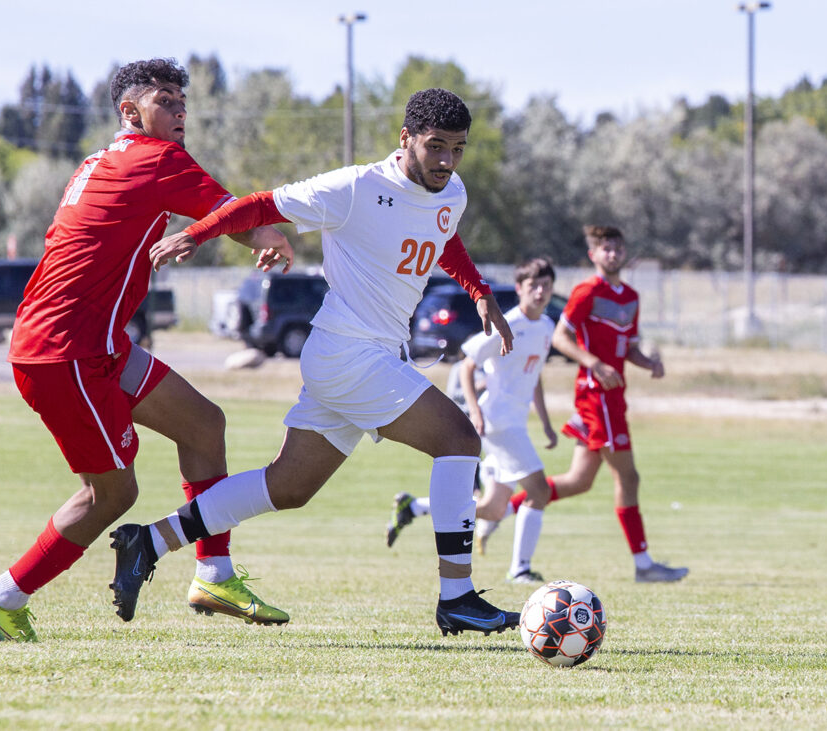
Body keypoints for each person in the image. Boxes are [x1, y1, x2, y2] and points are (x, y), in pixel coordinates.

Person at [109, 88, 523, 637]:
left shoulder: (452, 191)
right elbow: (259, 205)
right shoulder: (354, 188)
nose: (446, 161)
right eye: (435, 147)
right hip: (349, 352)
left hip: (359, 359)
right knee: (460, 440)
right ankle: (458, 596)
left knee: (289, 487)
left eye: (458, 149)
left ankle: (149, 541)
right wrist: (195, 233)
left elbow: (441, 234)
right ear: (406, 140)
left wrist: (478, 290)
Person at [0, 58, 295, 642]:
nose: (179, 112)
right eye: (165, 100)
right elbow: (229, 213)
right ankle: (4, 593)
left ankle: (214, 575)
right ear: (130, 111)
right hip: (65, 352)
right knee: (113, 493)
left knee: (203, 425)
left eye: (182, 103)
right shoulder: (157, 158)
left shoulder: (101, 160)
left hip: (96, 344)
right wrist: (265, 233)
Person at [385, 257, 559, 585]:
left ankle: (414, 507)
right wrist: (475, 413)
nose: (540, 291)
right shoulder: (510, 323)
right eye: (533, 285)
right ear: (519, 288)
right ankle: (520, 569)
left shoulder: (546, 327)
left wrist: (547, 423)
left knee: (493, 508)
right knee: (539, 490)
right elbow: (466, 365)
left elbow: (534, 376)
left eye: (546, 286)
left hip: (515, 423)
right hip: (497, 422)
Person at [540, 225, 687, 582]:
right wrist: (593, 362)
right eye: (605, 248)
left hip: (614, 398)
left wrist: (649, 363)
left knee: (578, 482)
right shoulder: (587, 291)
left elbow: (629, 348)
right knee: (629, 476)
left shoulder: (631, 297)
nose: (612, 253)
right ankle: (644, 565)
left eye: (617, 248)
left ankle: (505, 508)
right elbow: (560, 337)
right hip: (595, 396)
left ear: (625, 254)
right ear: (593, 255)